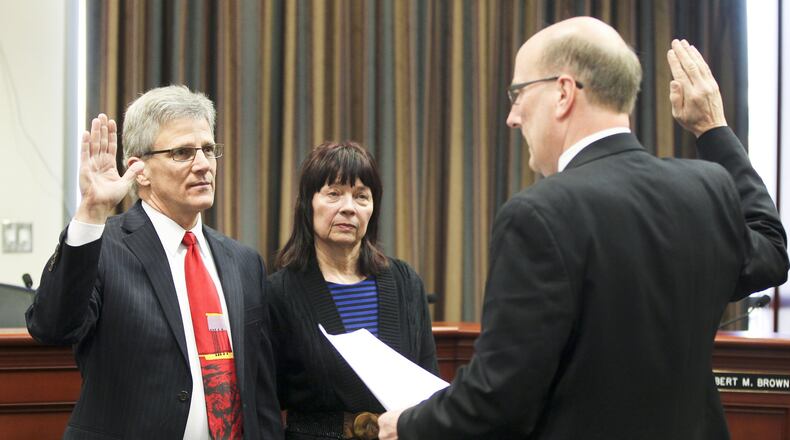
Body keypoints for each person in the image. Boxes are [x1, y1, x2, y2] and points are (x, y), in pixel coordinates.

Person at [378, 17, 789, 439]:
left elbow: (497, 399)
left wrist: (408, 424)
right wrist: (713, 128)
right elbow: (773, 252)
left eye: (518, 94)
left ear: (562, 92)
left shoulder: (537, 215)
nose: (512, 117)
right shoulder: (708, 187)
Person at [26, 85, 283, 439]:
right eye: (182, 152)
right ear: (139, 171)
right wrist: (91, 214)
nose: (204, 165)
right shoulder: (102, 247)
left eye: (208, 150)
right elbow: (51, 327)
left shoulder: (243, 262)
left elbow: (260, 391)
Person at [269, 141, 438, 439]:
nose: (348, 208)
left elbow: (428, 383)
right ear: (308, 203)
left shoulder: (405, 282)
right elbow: (265, 399)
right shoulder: (279, 292)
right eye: (334, 194)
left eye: (361, 196)